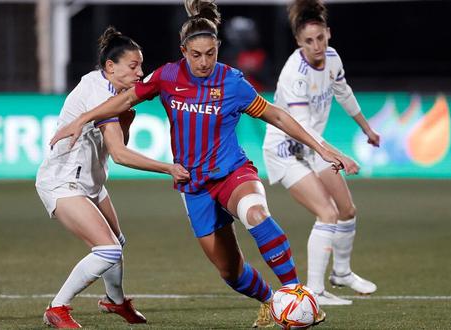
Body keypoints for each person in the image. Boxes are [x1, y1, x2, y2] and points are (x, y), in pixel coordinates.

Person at [50, 1, 358, 327]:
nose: (204, 62)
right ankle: (272, 302)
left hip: (233, 172)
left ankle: (297, 292)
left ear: (217, 48)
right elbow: (124, 99)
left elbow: (277, 114)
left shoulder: (232, 82)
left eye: (210, 53)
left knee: (255, 213)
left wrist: (321, 148)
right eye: (196, 55)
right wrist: (81, 118)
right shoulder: (167, 77)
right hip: (194, 186)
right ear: (183, 51)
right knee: (230, 270)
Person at [35, 27, 190, 328]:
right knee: (107, 249)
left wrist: (126, 120)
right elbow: (120, 155)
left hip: (90, 181)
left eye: (141, 66)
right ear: (110, 66)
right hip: (62, 181)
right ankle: (58, 307)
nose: (140, 72)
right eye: (133, 66)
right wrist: (169, 168)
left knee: (116, 241)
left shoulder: (115, 94)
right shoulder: (98, 91)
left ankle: (115, 302)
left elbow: (116, 144)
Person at [262, 0, 380, 306]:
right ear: (299, 43)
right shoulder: (295, 74)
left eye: (320, 38)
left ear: (328, 33)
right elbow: (300, 126)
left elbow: (344, 92)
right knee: (327, 212)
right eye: (308, 41)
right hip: (286, 148)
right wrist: (338, 154)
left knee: (347, 210)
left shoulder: (332, 58)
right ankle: (314, 291)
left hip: (316, 147)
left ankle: (341, 273)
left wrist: (366, 128)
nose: (316, 46)